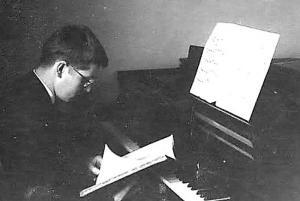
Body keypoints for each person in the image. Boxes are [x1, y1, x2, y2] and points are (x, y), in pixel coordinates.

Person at [0, 24, 109, 200]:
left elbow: (52, 155)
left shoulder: (33, 90)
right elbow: (33, 183)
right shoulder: (22, 107)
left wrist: (84, 163)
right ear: (60, 69)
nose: (88, 90)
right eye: (85, 81)